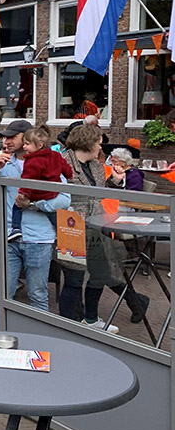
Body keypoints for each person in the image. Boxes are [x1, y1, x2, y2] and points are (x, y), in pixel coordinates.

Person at [0, 119, 71, 329]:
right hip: (8, 238)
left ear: (27, 138)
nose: (6, 141)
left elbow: (65, 198)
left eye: (11, 137)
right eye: (4, 137)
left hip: (39, 238)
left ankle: (39, 340)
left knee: (37, 293)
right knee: (2, 293)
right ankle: (2, 337)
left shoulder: (48, 162)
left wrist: (36, 204)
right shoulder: (4, 163)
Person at [58, 123, 146, 331]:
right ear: (87, 143)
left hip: (96, 224)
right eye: (98, 143)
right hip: (71, 225)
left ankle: (91, 318)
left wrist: (115, 182)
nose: (101, 148)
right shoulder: (62, 163)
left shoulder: (97, 166)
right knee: (74, 277)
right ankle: (69, 324)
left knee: (100, 273)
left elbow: (100, 193)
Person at [8, 126, 73, 241]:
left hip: (38, 193)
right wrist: (69, 175)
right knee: (52, 212)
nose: (24, 147)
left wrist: (23, 194)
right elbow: (66, 168)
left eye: (27, 144)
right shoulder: (56, 155)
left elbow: (27, 179)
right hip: (53, 192)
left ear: (40, 145)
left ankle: (15, 228)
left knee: (16, 206)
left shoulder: (32, 161)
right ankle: (59, 229)